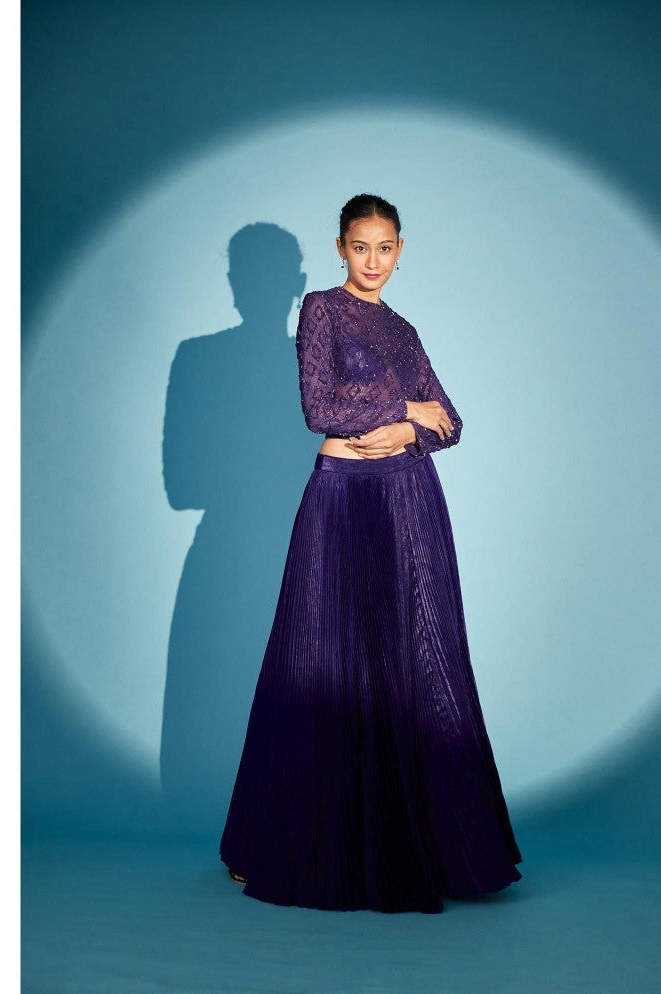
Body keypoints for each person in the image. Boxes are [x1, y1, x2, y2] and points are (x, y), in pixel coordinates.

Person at [218, 193, 523, 913]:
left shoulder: (405, 330)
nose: (373, 261)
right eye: (361, 248)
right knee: (318, 663)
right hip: (341, 500)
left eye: (385, 248)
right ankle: (279, 843)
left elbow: (452, 421)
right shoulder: (321, 311)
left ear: (400, 250)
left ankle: (430, 848)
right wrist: (406, 411)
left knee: (416, 664)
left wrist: (409, 431)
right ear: (339, 249)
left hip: (410, 504)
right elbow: (319, 410)